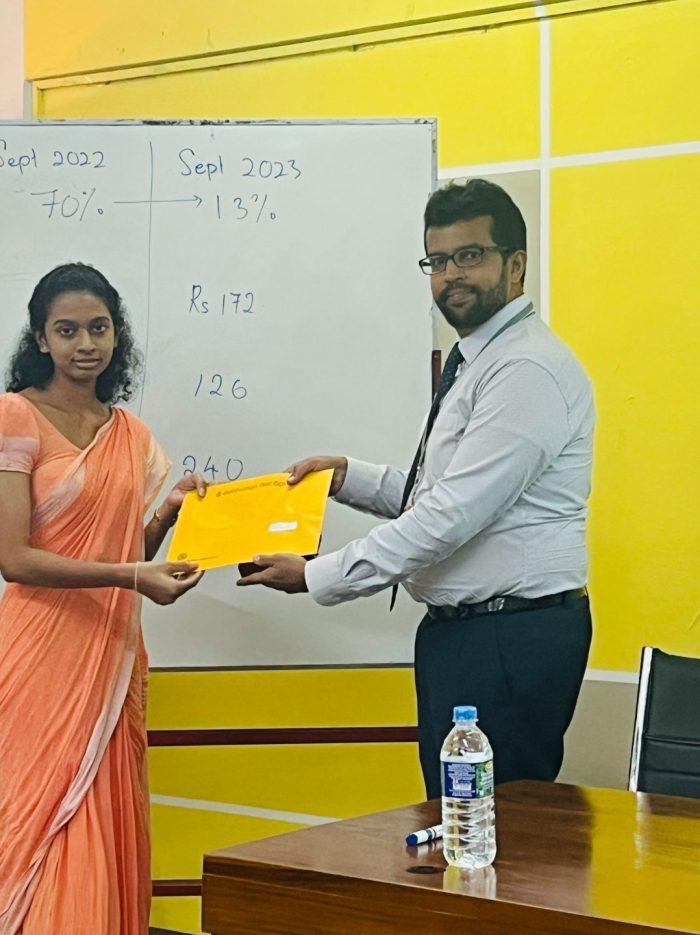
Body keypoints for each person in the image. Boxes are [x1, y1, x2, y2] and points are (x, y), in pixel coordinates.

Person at [238, 179, 595, 798]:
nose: (451, 275)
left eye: (470, 256)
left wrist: (318, 575)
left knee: (492, 827)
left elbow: (450, 516)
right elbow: (441, 492)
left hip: (506, 638)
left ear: (516, 264)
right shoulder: (480, 359)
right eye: (438, 260)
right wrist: (347, 477)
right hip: (469, 634)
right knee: (458, 818)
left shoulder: (525, 370)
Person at [0, 263, 205, 935]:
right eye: (67, 331)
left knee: (103, 814)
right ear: (40, 338)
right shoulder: (15, 415)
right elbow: (15, 559)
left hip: (114, 654)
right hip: (39, 657)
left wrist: (166, 515)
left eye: (99, 327)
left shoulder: (131, 434)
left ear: (118, 335)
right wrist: (132, 575)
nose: (85, 344)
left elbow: (124, 552)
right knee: (37, 822)